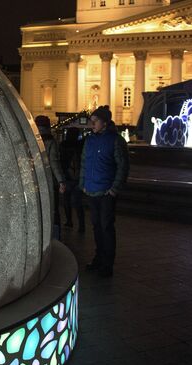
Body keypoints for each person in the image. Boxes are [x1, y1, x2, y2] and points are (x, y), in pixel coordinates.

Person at [79, 106, 129, 277]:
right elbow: (84, 163)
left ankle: (107, 264)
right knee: (96, 227)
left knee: (106, 227)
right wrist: (83, 184)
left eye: (95, 121)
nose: (91, 124)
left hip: (106, 192)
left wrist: (114, 189)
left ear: (105, 122)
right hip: (92, 190)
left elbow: (123, 166)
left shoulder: (115, 140)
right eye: (91, 120)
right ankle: (98, 258)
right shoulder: (90, 140)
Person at [34, 115, 66, 238]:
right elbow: (54, 163)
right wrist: (61, 181)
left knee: (40, 210)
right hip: (49, 182)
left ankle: (40, 236)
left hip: (36, 181)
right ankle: (55, 236)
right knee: (53, 209)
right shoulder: (51, 142)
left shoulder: (33, 140)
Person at [60, 127, 86, 233]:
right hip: (77, 177)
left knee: (67, 201)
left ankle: (69, 221)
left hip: (67, 176)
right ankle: (81, 224)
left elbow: (61, 161)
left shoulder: (63, 145)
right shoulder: (80, 145)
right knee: (77, 202)